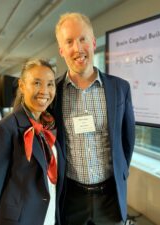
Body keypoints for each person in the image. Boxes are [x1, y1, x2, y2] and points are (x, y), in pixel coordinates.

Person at [52, 13, 135, 225]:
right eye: (69, 42)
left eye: (83, 39)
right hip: (71, 197)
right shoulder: (53, 93)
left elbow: (128, 138)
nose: (77, 48)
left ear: (93, 42)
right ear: (61, 50)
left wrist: (121, 171)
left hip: (110, 196)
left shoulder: (120, 88)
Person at [0, 59, 65, 225]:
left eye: (50, 84)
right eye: (37, 83)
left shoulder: (51, 126)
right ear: (22, 85)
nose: (44, 91)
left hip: (49, 216)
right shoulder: (5, 129)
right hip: (20, 220)